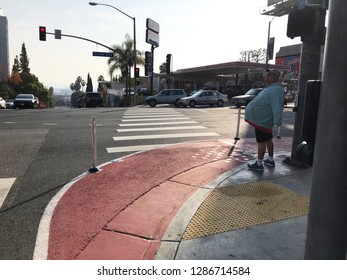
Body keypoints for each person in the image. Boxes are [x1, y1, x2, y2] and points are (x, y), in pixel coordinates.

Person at [244, 68, 285, 171]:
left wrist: (278, 121)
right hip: (262, 120)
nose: (266, 76)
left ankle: (259, 164)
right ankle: (270, 160)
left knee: (261, 142)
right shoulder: (272, 88)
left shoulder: (276, 90)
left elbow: (277, 106)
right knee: (267, 140)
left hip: (262, 121)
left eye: (268, 74)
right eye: (266, 74)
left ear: (275, 77)